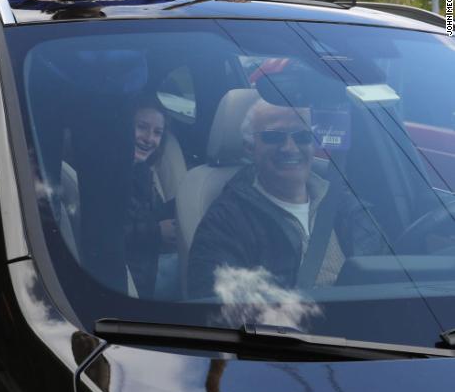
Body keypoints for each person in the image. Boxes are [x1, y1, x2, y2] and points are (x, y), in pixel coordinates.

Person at [187, 99, 383, 298]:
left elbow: (388, 279)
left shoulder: (347, 206)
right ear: (249, 147)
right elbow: (216, 308)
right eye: (273, 137)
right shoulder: (225, 221)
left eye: (302, 136)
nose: (290, 147)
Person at [125, 97, 178, 297]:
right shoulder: (108, 175)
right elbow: (107, 231)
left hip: (147, 264)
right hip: (133, 279)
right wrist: (156, 232)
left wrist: (184, 204)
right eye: (141, 127)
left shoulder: (141, 171)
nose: (149, 138)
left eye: (157, 133)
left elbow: (150, 215)